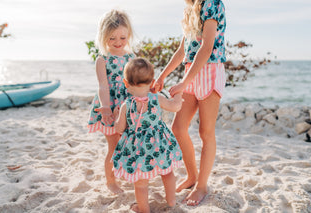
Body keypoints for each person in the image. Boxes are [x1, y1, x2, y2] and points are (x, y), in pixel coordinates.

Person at [152, 0, 227, 206]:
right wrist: (162, 76)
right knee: (178, 127)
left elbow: (207, 46)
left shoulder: (212, 3)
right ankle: (193, 176)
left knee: (206, 132)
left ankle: (202, 186)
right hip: (191, 72)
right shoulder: (189, 9)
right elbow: (182, 50)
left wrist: (184, 82)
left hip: (210, 71)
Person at [112, 58, 183, 213]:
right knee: (167, 171)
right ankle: (171, 201)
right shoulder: (157, 98)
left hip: (137, 150)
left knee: (141, 182)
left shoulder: (126, 105)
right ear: (152, 82)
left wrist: (117, 115)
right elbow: (175, 107)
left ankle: (144, 209)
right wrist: (178, 94)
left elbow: (119, 129)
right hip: (159, 144)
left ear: (126, 83)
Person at [87, 9, 135, 194]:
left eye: (122, 38)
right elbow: (103, 86)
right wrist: (106, 107)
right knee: (113, 145)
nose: (117, 43)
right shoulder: (103, 59)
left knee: (128, 143)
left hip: (127, 108)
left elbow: (135, 84)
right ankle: (110, 181)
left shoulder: (132, 58)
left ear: (128, 35)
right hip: (109, 107)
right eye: (112, 38)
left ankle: (124, 172)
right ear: (104, 37)